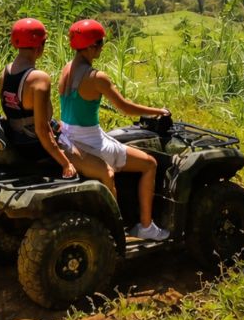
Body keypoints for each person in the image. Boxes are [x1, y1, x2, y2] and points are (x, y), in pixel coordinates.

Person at [57, 18, 171, 241]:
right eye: (99, 43)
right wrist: (158, 111)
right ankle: (146, 226)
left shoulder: (66, 69)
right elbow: (125, 107)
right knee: (150, 164)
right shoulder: (97, 77)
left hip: (68, 136)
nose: (101, 47)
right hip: (91, 141)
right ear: (91, 47)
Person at [0, 18, 110, 183]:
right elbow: (42, 130)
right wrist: (65, 163)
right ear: (40, 46)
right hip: (37, 146)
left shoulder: (5, 72)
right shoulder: (38, 79)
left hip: (18, 140)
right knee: (105, 172)